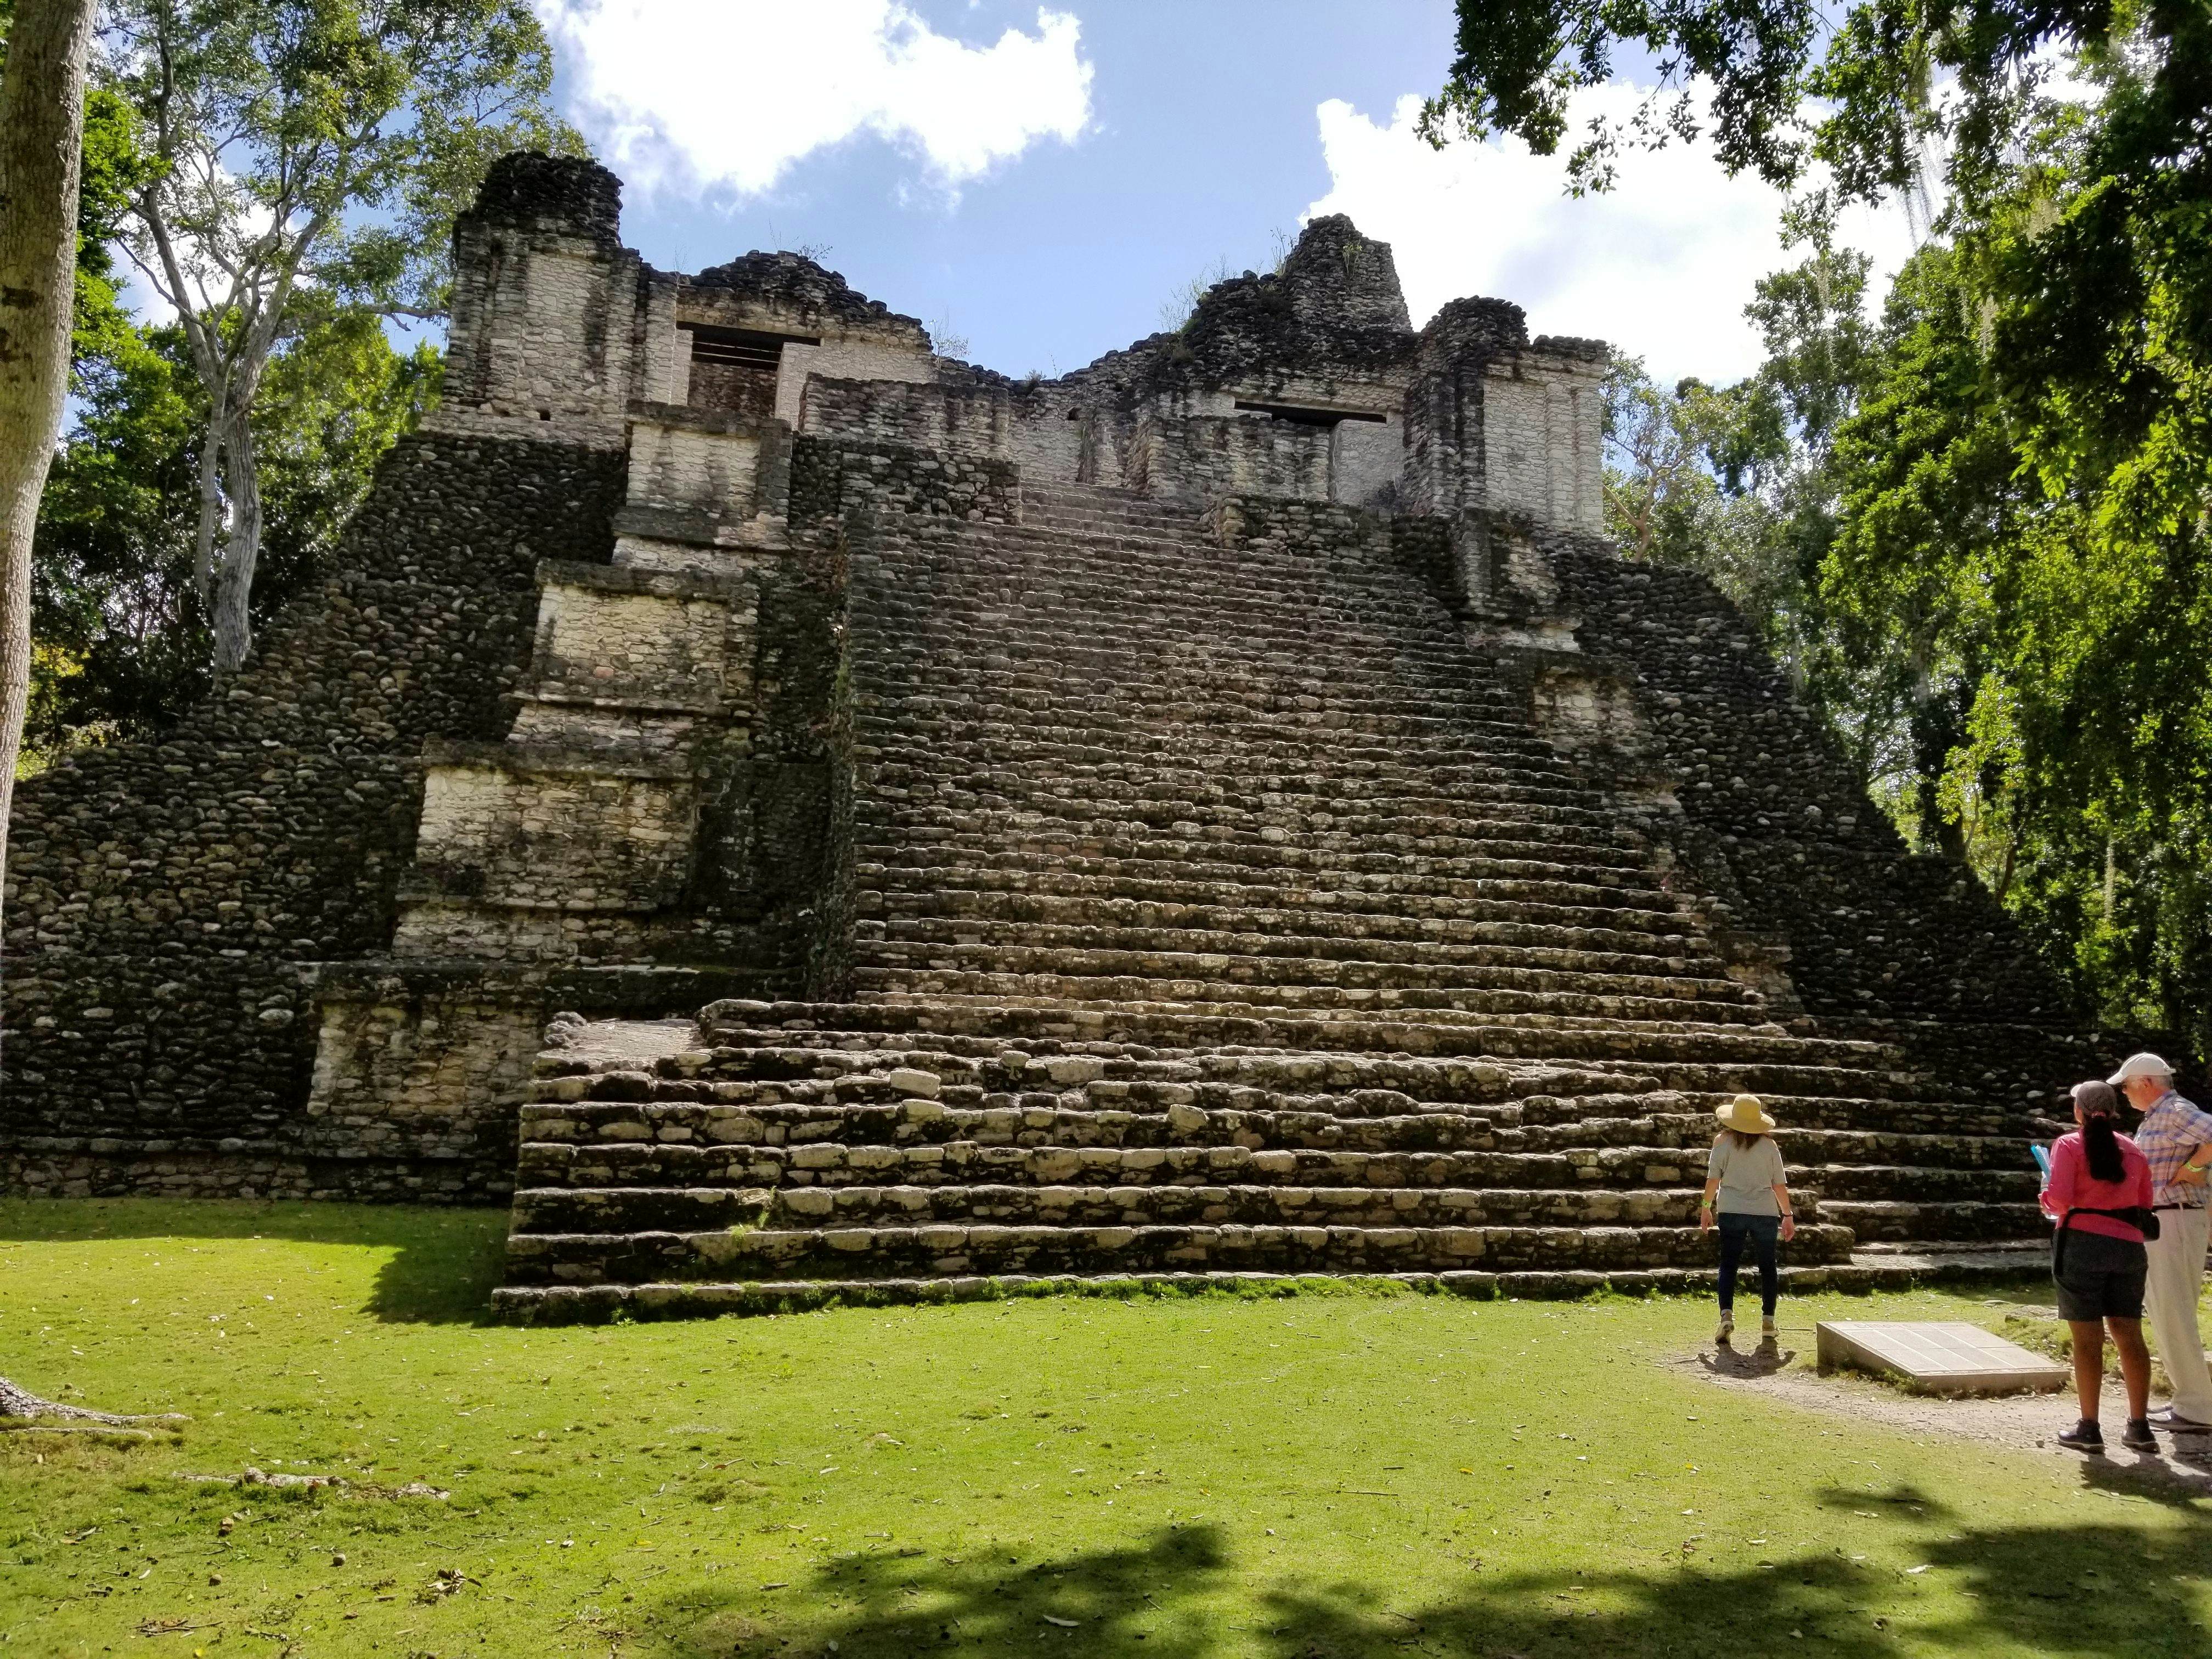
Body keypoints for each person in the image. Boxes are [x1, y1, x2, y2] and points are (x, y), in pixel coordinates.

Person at [2041, 1081, 2157, 1453]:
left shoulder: (2069, 1145)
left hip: (2082, 1245)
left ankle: (2089, 1426)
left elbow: (2058, 1200)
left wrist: (2044, 1194)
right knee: (2130, 1334)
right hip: (2128, 1248)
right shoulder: (2134, 1150)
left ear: (2078, 1111)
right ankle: (2140, 1426)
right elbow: (2144, 1201)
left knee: (2088, 1340)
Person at [2110, 1051, 2212, 1434]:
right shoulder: (2160, 1116)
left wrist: (2196, 1169)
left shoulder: (2173, 1110)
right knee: (2167, 1309)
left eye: (2126, 1085)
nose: (2124, 1092)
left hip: (2176, 1216)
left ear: (2146, 1084)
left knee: (2173, 1310)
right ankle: (2191, 1399)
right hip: (2166, 1219)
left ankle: (2198, 1408)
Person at [1700, 1093, 1797, 1345]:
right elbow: (1779, 1185)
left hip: (1732, 1209)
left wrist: (1705, 1207)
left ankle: (1726, 1316)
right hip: (1765, 1212)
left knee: (1729, 1265)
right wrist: (1787, 1215)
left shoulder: (1722, 1142)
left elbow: (1713, 1180)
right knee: (1768, 1267)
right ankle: (1768, 1321)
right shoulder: (1770, 1146)